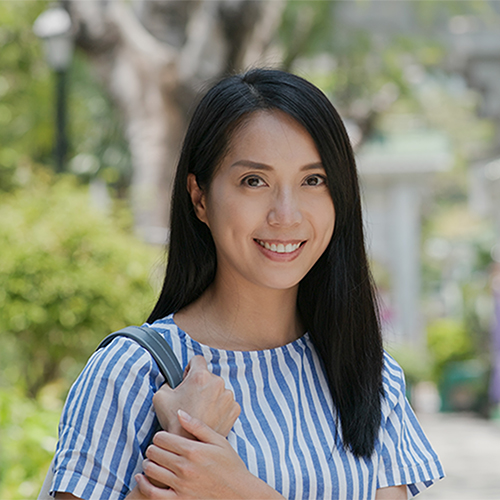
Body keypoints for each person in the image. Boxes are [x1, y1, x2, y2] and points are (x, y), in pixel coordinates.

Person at [49, 69, 444, 500]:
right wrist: (181, 452)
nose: (286, 214)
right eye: (254, 181)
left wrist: (236, 490)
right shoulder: (133, 375)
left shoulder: (368, 373)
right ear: (199, 198)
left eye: (313, 180)